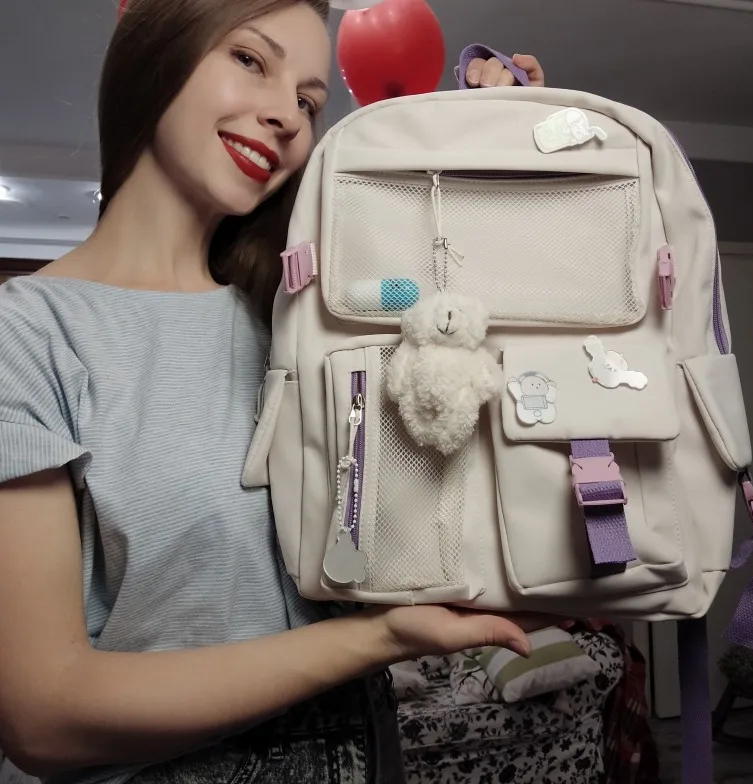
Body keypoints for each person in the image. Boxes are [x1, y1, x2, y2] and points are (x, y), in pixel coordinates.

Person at [0, 2, 546, 783]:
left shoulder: (309, 309)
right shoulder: (28, 335)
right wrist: (378, 638)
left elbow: (461, 320)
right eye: (251, 60)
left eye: (309, 102)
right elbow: (43, 716)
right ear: (154, 53)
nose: (288, 116)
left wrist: (497, 151)